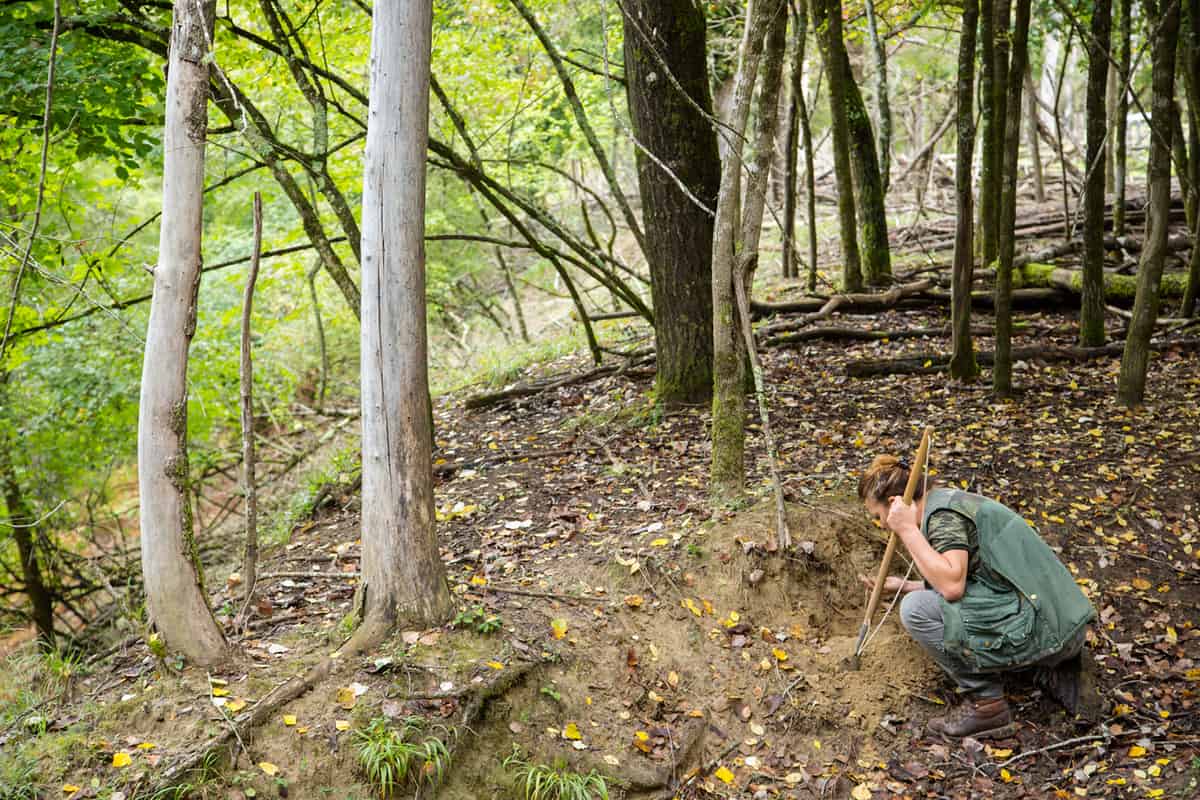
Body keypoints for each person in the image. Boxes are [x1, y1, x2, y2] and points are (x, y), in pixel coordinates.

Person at [857, 455, 1095, 739]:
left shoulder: (944, 517)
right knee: (916, 598)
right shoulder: (948, 501)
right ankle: (1042, 669)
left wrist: (907, 529)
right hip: (1059, 623)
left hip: (1048, 630)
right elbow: (977, 581)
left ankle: (986, 705)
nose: (881, 524)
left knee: (916, 611)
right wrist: (907, 584)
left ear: (895, 502)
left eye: (878, 516)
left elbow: (953, 587)